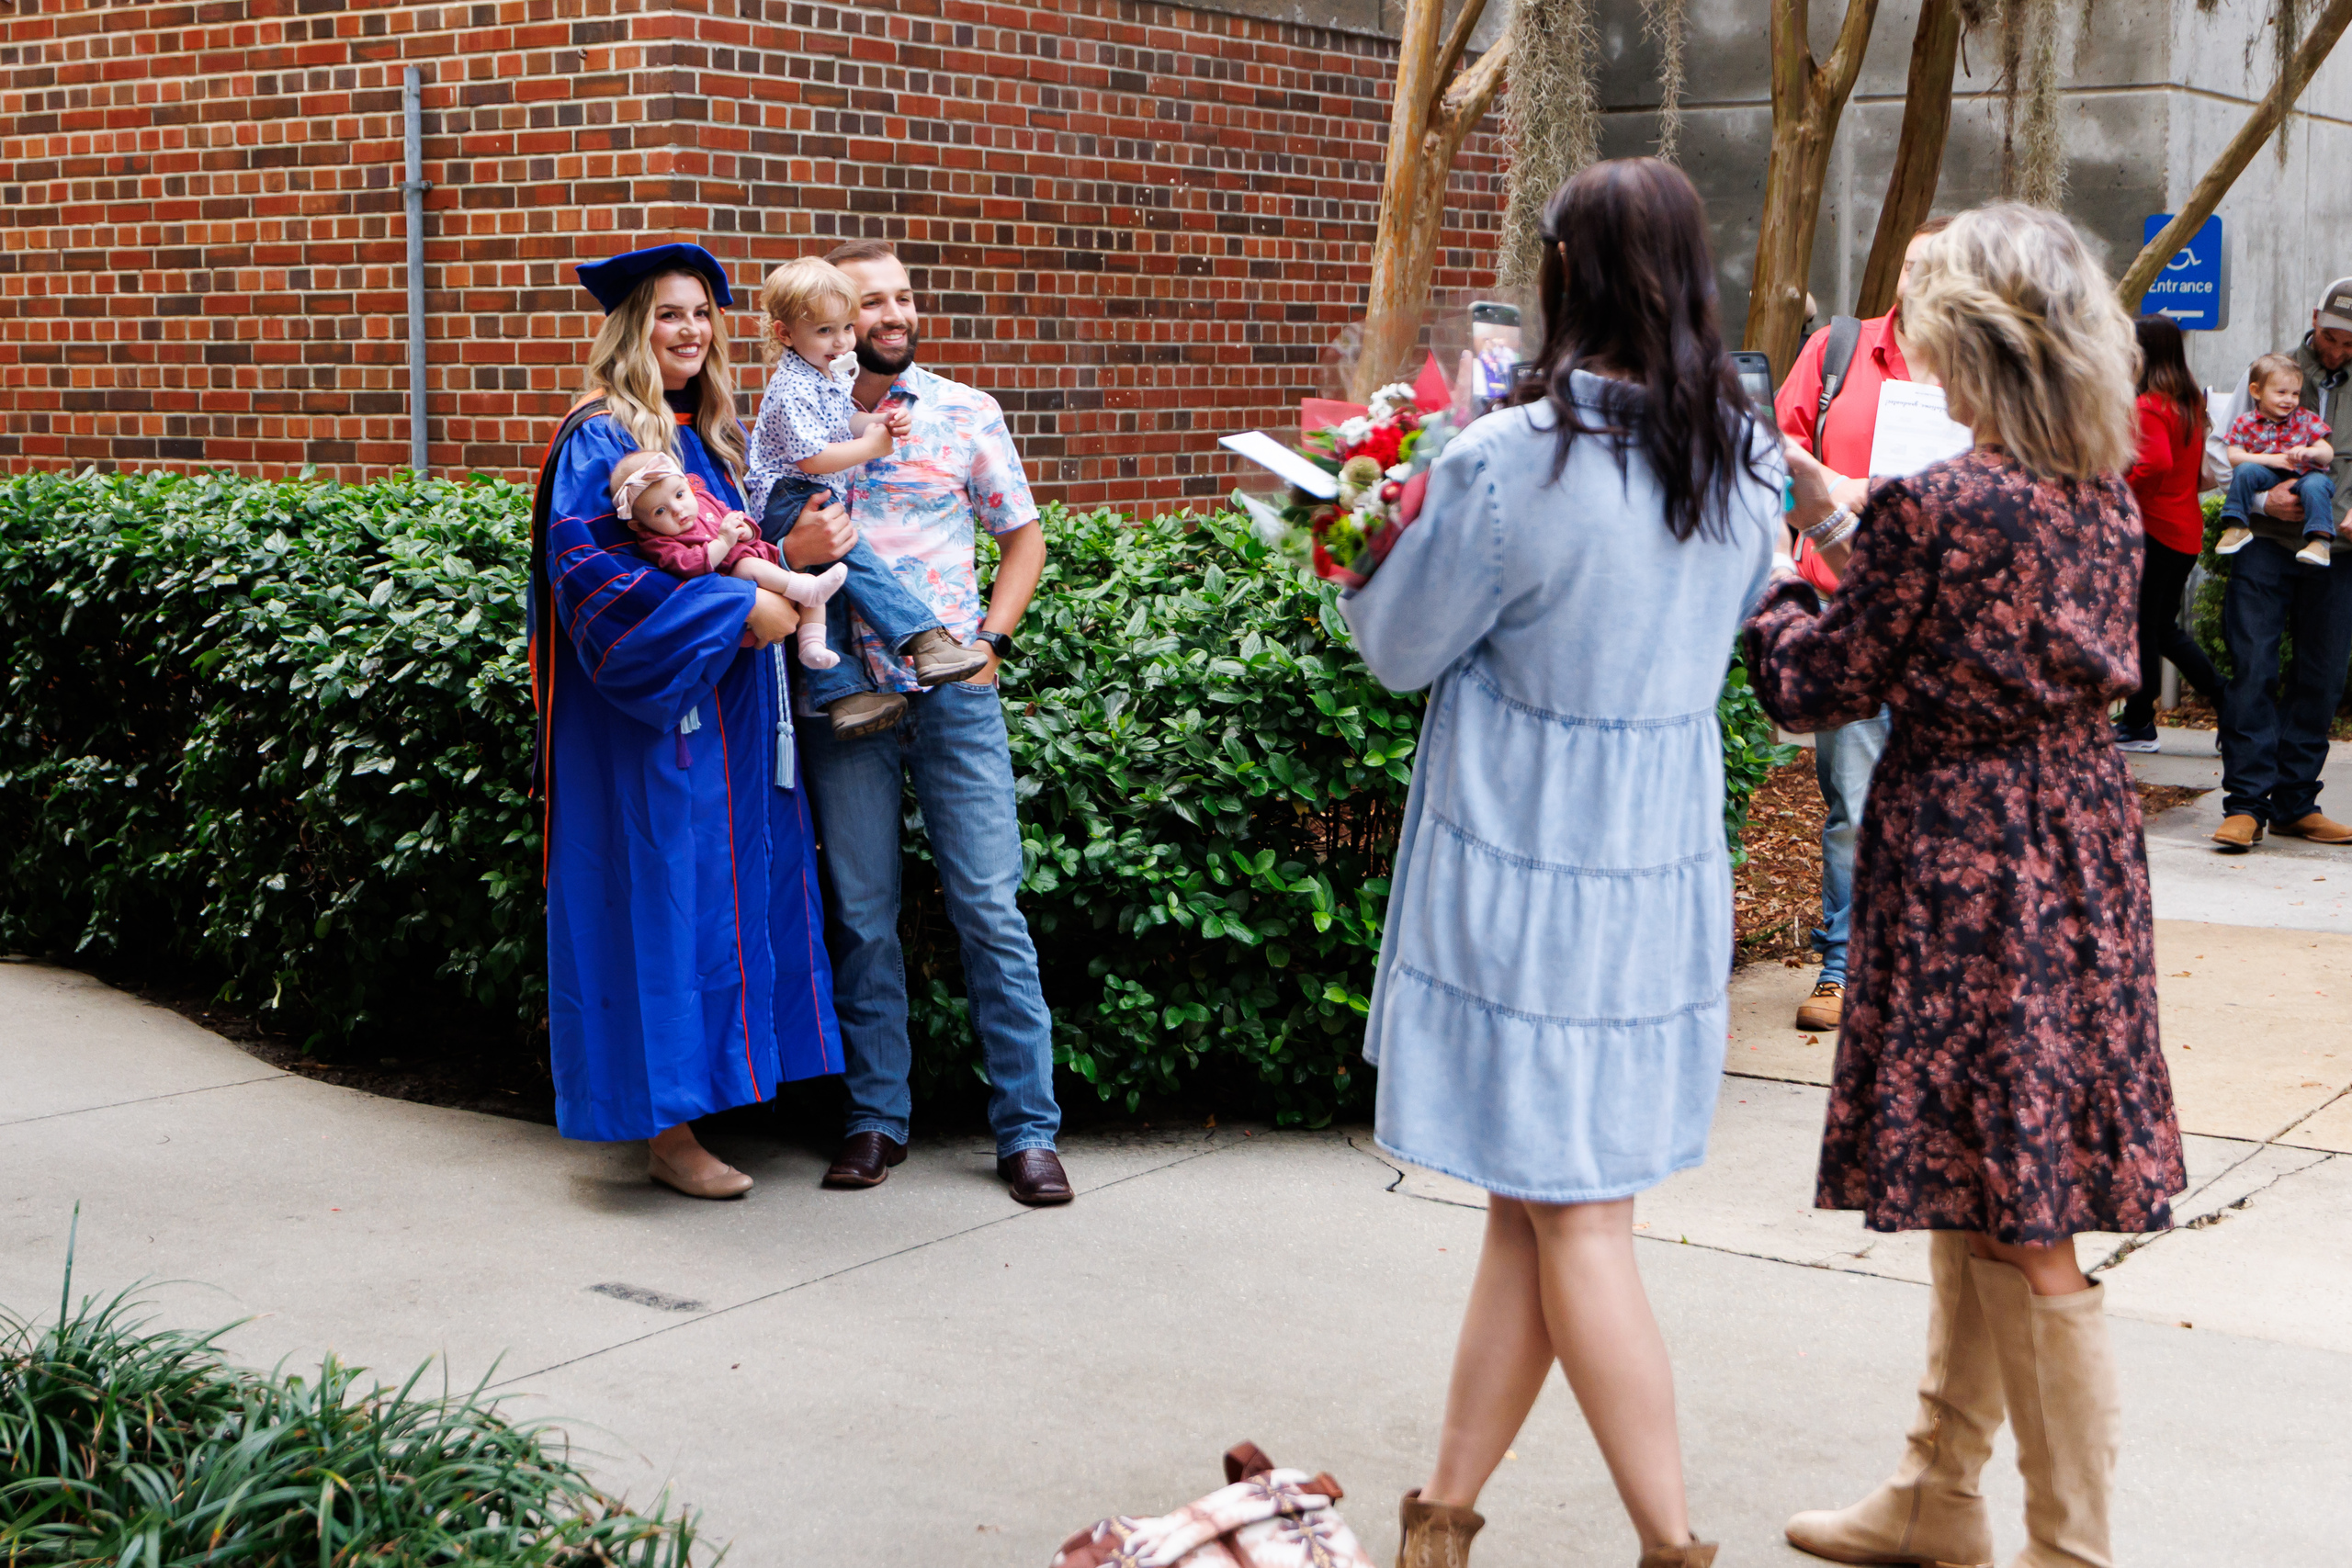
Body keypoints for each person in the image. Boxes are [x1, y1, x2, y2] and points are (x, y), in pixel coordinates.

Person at [1347, 159, 1779, 1568]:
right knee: (1535, 1206)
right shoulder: (1741, 460)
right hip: (1660, 859)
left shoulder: (1508, 459)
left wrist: (1358, 544)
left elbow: (1399, 647)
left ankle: (1672, 1541)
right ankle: (1442, 1514)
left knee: (1575, 1215)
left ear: (1564, 273)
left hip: (1527, 854)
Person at [1747, 205, 2187, 1568]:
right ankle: (1939, 1490)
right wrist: (1837, 517)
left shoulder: (1945, 503)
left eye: (1933, 315)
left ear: (1977, 339)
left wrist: (1765, 581)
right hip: (2075, 851)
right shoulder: (2093, 492)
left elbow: (1814, 682)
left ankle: (2070, 1550)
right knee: (1989, 1174)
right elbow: (1953, 603)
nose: (1916, 335)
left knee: (2022, 1209)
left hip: (1969, 865)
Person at [529, 243, 843, 1199]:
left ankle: (725, 1093)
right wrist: (741, 610)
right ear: (634, 327)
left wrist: (785, 561)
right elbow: (597, 586)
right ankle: (667, 1131)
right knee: (660, 899)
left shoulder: (705, 434)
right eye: (669, 313)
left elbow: (721, 547)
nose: (691, 330)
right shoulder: (600, 440)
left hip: (726, 711)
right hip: (652, 723)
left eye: (703, 313)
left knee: (719, 893)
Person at [775, 237, 1070, 1207]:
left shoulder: (963, 411)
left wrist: (992, 640)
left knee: (989, 908)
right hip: (841, 700)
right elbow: (746, 540)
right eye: (872, 302)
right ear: (826, 317)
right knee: (862, 917)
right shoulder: (785, 418)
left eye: (904, 297)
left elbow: (1023, 537)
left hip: (954, 697)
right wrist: (793, 544)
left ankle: (1028, 1131)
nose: (895, 314)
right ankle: (875, 1119)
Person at [1770, 217, 1948, 1036]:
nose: (1922, 281)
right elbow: (1773, 451)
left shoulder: (1987, 369)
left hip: (1947, 623)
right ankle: (1845, 965)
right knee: (1853, 801)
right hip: (1847, 613)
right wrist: (1826, 497)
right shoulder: (1836, 351)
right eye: (1913, 265)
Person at [743, 257, 988, 731]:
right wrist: (872, 447)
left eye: (846, 327)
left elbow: (841, 422)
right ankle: (923, 640)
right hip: (789, 494)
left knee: (828, 590)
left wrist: (874, 423)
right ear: (785, 333)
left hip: (806, 490)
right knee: (858, 562)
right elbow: (812, 457)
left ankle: (844, 694)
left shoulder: (823, 373)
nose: (841, 341)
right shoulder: (791, 386)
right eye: (825, 331)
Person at [2211, 278, 2352, 851]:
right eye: (2332, 336)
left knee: (2322, 677)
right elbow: (2222, 452)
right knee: (2253, 669)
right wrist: (2262, 501)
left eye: (2350, 343)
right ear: (2314, 319)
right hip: (2265, 545)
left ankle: (2296, 804)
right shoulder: (2271, 372)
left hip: (2337, 555)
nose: (2338, 350)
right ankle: (2246, 806)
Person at [608, 448, 846, 671]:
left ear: (687, 484)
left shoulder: (704, 500)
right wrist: (723, 542)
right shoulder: (657, 541)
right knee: (756, 568)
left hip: (767, 568)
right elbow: (689, 566)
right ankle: (809, 593)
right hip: (737, 586)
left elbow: (739, 518)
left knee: (812, 589)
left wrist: (746, 530)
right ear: (639, 525)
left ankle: (812, 646)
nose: (677, 510)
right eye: (660, 511)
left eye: (680, 494)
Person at [2112, 315, 2227, 750]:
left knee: (2145, 627)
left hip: (2155, 529)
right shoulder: (2188, 403)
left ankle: (2140, 721)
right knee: (2160, 628)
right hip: (2182, 529)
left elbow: (2155, 463)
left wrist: (2123, 498)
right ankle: (2226, 702)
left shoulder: (2149, 405)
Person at [2212, 353, 2335, 568]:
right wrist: (2271, 460)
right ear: (2256, 391)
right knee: (2245, 470)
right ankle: (2236, 526)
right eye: (2281, 392)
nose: (2289, 400)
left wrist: (2310, 452)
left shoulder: (2305, 419)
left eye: (2295, 394)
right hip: (2268, 474)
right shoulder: (2244, 422)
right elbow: (2234, 457)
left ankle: (2320, 541)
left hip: (2305, 475)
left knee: (2317, 485)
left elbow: (2327, 453)